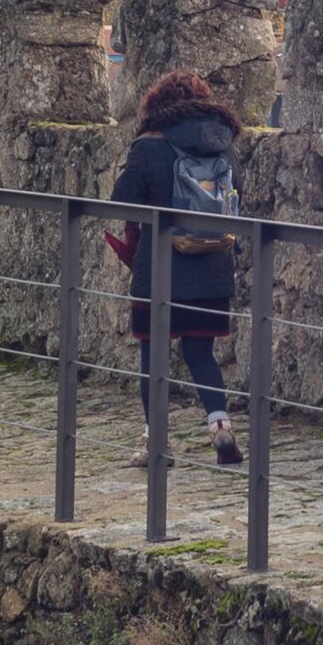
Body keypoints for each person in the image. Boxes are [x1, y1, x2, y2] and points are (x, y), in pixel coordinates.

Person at [107, 68, 249, 466]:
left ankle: (156, 442)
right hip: (212, 266)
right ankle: (220, 427)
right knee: (201, 352)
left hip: (160, 270)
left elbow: (124, 200)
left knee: (153, 356)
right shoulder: (224, 143)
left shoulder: (150, 144)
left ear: (156, 104)